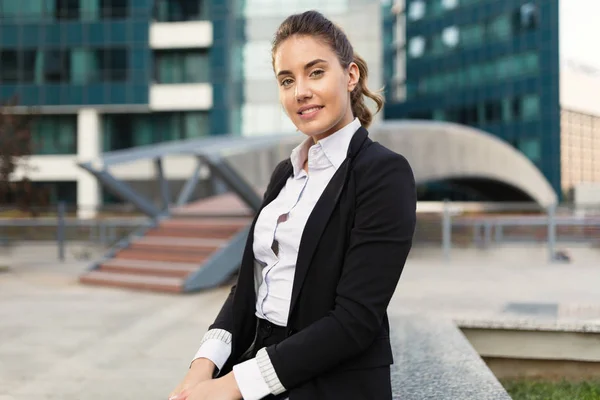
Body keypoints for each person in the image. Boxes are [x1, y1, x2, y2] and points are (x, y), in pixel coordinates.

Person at [169, 9, 416, 400]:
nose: (300, 91)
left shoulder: (384, 173)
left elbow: (355, 321)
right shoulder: (286, 173)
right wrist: (202, 368)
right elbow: (250, 286)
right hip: (257, 368)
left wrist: (234, 385)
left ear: (350, 76)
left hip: (333, 383)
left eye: (315, 72)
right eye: (287, 80)